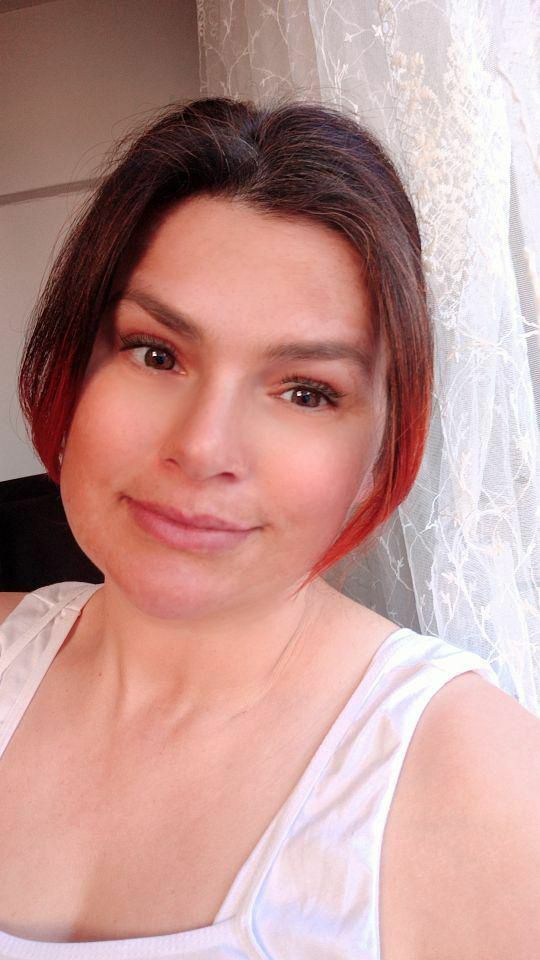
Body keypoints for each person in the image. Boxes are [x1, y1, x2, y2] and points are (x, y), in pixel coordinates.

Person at [0, 95, 538, 960]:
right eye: (155, 353)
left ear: (382, 451)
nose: (203, 447)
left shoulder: (485, 786)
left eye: (306, 392)